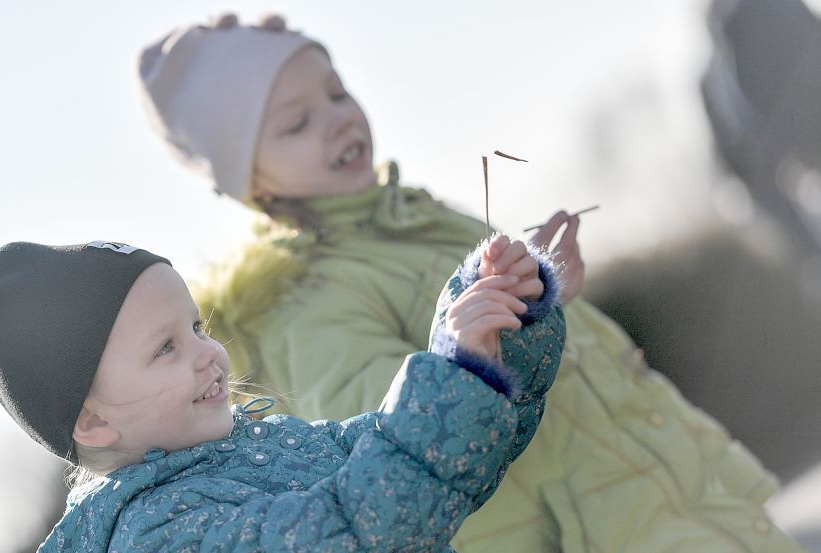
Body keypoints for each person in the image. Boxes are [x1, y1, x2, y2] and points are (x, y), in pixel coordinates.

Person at [136, 13, 806, 551]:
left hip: (644, 492)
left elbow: (531, 347)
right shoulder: (299, 305)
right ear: (251, 182)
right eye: (295, 123)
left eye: (335, 92)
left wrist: (545, 287)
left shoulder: (417, 219)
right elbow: (404, 441)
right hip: (573, 530)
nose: (337, 117)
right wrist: (485, 333)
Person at [0, 238, 565, 552]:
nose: (208, 352)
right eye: (166, 348)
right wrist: (453, 369)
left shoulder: (270, 446)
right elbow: (359, 526)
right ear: (92, 421)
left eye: (197, 328)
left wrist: (492, 326)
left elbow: (423, 461)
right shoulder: (158, 533)